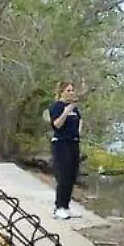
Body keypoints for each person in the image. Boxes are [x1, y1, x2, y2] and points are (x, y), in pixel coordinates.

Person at [46, 83, 81, 219]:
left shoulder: (75, 108)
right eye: (68, 90)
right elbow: (57, 124)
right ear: (61, 92)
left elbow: (79, 121)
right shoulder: (57, 107)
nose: (71, 93)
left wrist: (78, 133)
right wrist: (66, 111)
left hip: (73, 143)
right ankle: (59, 207)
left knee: (72, 175)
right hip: (61, 143)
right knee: (63, 175)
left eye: (73, 90)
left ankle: (66, 206)